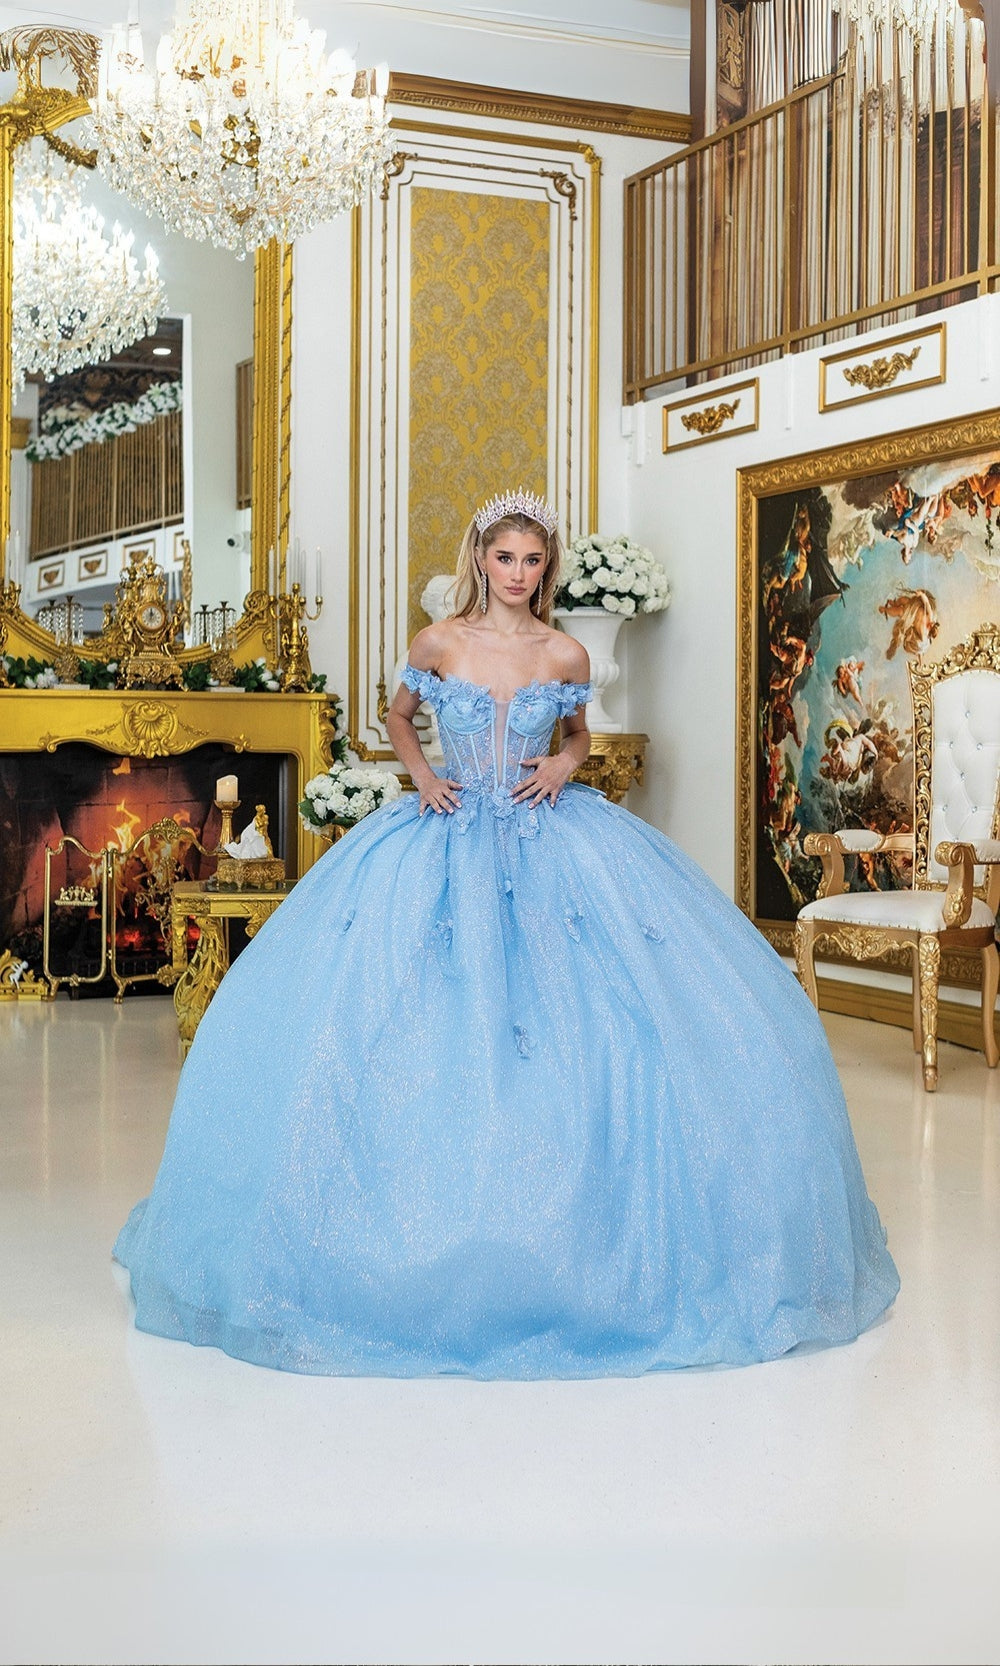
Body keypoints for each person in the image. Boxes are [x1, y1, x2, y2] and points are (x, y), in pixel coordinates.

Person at [114, 488, 899, 1378]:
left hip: (547, 835)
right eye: (505, 559)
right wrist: (424, 781)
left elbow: (577, 738)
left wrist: (564, 767)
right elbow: (399, 721)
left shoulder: (563, 650)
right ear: (480, 557)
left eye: (533, 562)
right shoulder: (439, 642)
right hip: (444, 828)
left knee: (602, 1016)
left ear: (546, 566)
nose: (519, 575)